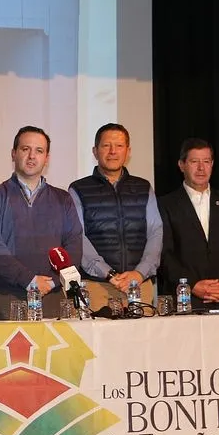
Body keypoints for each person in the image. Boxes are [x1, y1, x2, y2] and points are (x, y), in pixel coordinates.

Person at [0, 126, 82, 320]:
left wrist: (50, 283)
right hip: (7, 299)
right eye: (25, 149)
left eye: (39, 151)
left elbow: (74, 247)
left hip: (53, 297)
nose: (32, 156)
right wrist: (30, 280)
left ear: (47, 158)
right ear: (13, 154)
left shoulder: (63, 199)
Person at [68, 123, 162, 310]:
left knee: (144, 339)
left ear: (128, 151)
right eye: (106, 146)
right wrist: (108, 274)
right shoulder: (78, 189)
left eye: (119, 146)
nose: (112, 151)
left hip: (139, 286)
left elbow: (155, 231)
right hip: (97, 287)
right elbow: (78, 236)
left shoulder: (143, 187)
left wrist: (139, 273)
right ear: (95, 151)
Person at [158, 138, 219, 310]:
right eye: (194, 162)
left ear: (212, 164)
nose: (201, 168)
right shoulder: (165, 204)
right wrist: (191, 285)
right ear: (181, 165)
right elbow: (165, 254)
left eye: (206, 161)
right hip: (185, 301)